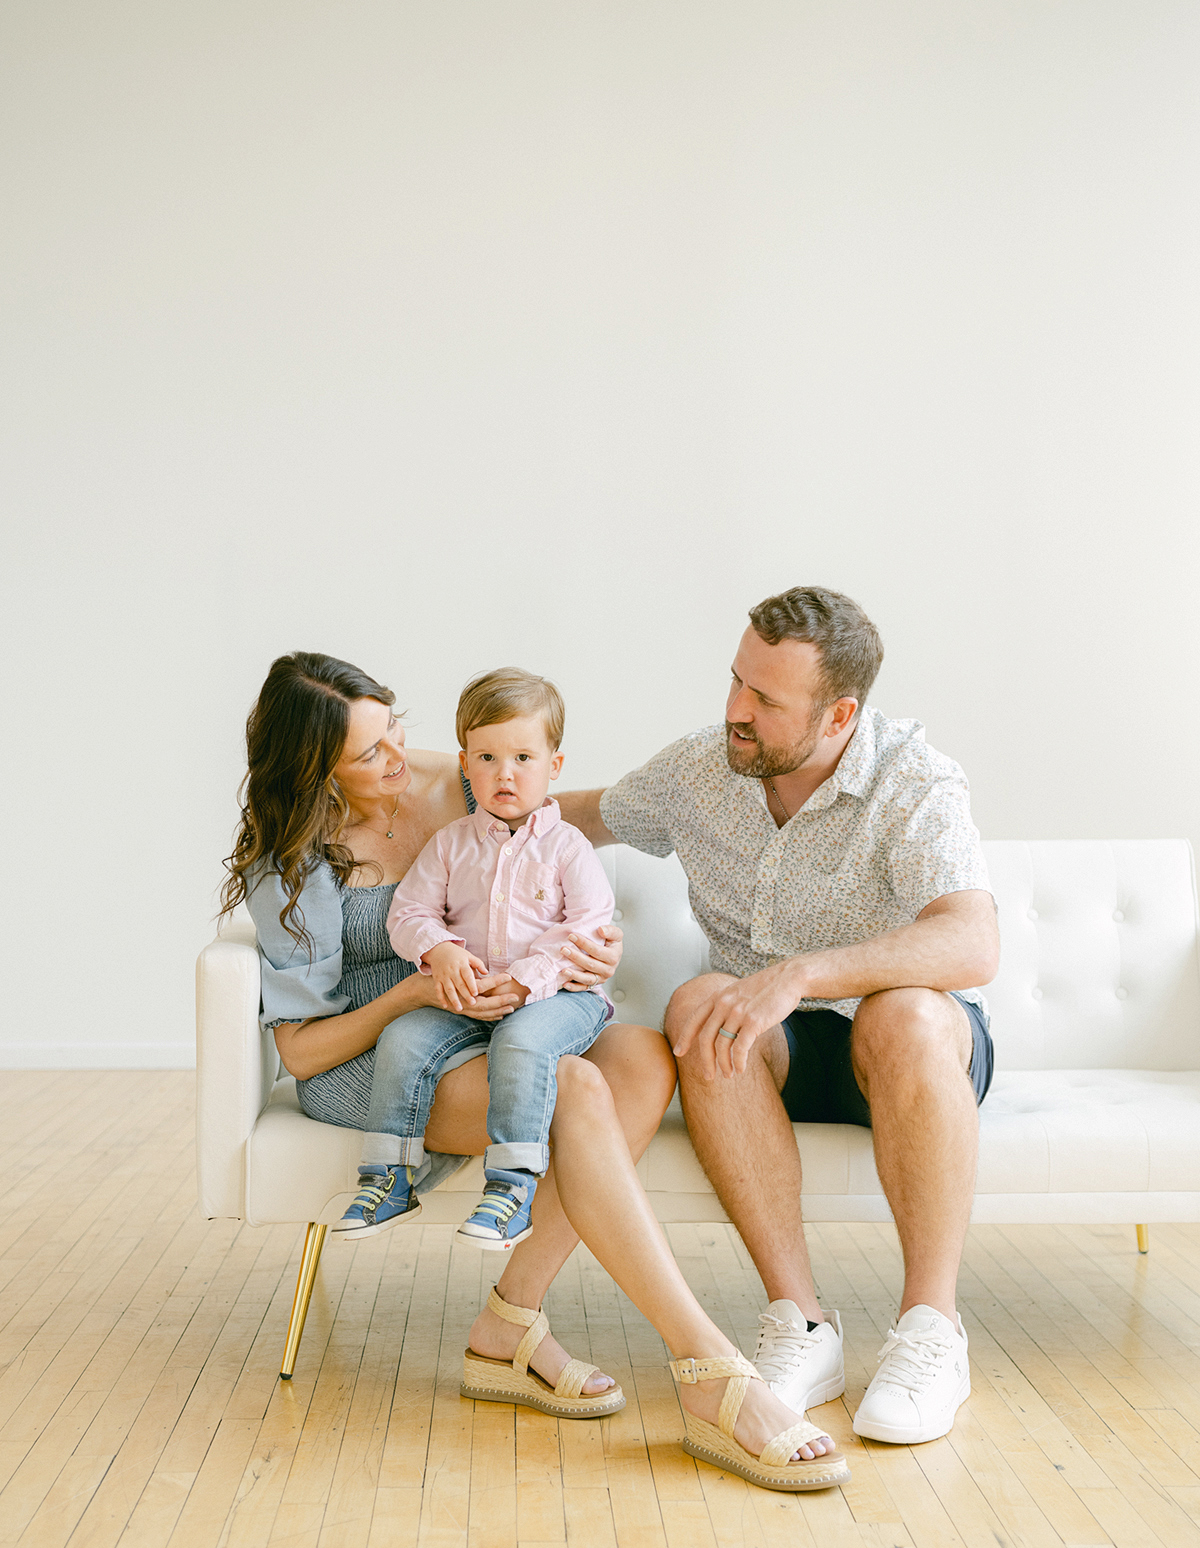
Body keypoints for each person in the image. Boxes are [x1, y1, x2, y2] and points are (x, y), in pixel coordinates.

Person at [221, 651, 851, 1491]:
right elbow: (300, 1050)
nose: (399, 761)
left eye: (395, 729)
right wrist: (414, 990)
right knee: (578, 1088)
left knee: (637, 1056)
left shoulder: (450, 782)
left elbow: (553, 827)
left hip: (487, 1025)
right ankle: (710, 1372)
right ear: (314, 769)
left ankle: (506, 1325)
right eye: (370, 754)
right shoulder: (289, 863)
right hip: (375, 1058)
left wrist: (588, 942)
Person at [557, 586, 1000, 1446]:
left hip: (915, 1053)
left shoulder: (913, 778)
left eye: (764, 699)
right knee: (699, 1004)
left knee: (901, 1016)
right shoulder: (702, 769)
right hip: (774, 1056)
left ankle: (932, 1331)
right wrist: (428, 780)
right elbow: (569, 811)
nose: (735, 711)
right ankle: (801, 1323)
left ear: (838, 715)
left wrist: (805, 973)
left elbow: (972, 941)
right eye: (735, 682)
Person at [334, 667, 615, 1252]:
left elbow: (584, 928)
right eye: (486, 758)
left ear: (553, 765)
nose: (504, 774)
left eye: (522, 757)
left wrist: (525, 983)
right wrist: (440, 952)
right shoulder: (451, 843)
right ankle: (389, 1177)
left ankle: (511, 1186)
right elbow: (407, 914)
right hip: (466, 995)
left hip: (557, 998)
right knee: (404, 1037)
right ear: (465, 764)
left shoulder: (568, 848)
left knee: (522, 1044)